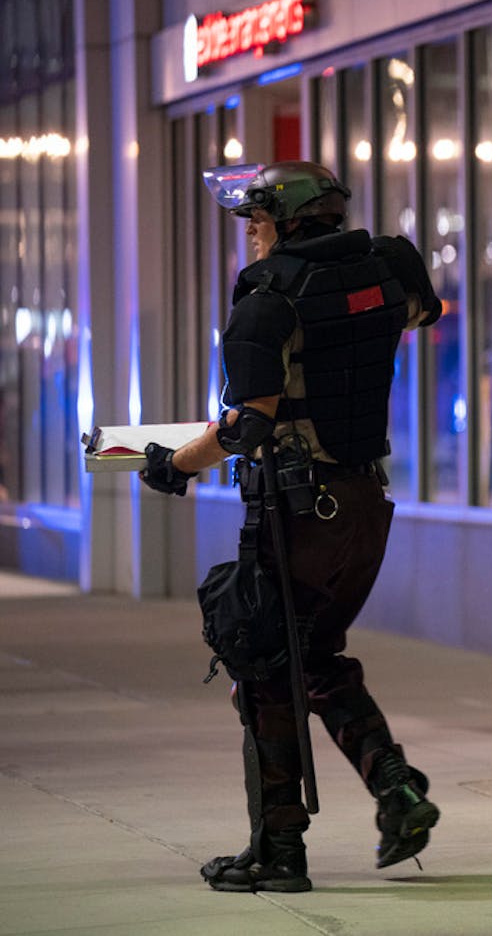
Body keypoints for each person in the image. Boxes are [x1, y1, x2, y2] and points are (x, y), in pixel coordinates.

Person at [140, 160, 443, 892]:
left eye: (257, 218)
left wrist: (174, 464)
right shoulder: (390, 270)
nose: (249, 233)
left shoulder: (267, 301)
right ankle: (396, 789)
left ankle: (279, 851)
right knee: (314, 653)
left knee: (266, 671)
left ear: (289, 220)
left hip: (299, 512)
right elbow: (416, 314)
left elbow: (249, 424)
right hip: (365, 505)